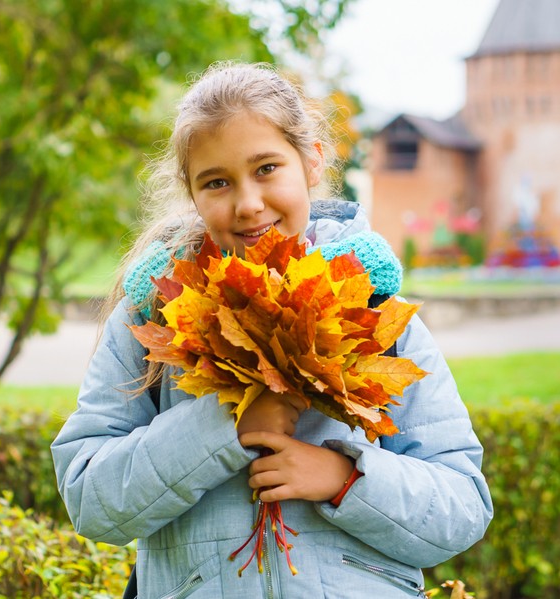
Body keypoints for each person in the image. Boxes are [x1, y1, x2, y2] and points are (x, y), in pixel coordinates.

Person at [51, 62, 493, 598]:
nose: (248, 203)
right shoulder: (152, 320)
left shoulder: (375, 312)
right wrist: (224, 427)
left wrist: (345, 479)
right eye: (217, 182)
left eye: (266, 168)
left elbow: (462, 507)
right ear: (191, 194)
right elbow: (90, 498)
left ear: (311, 162)